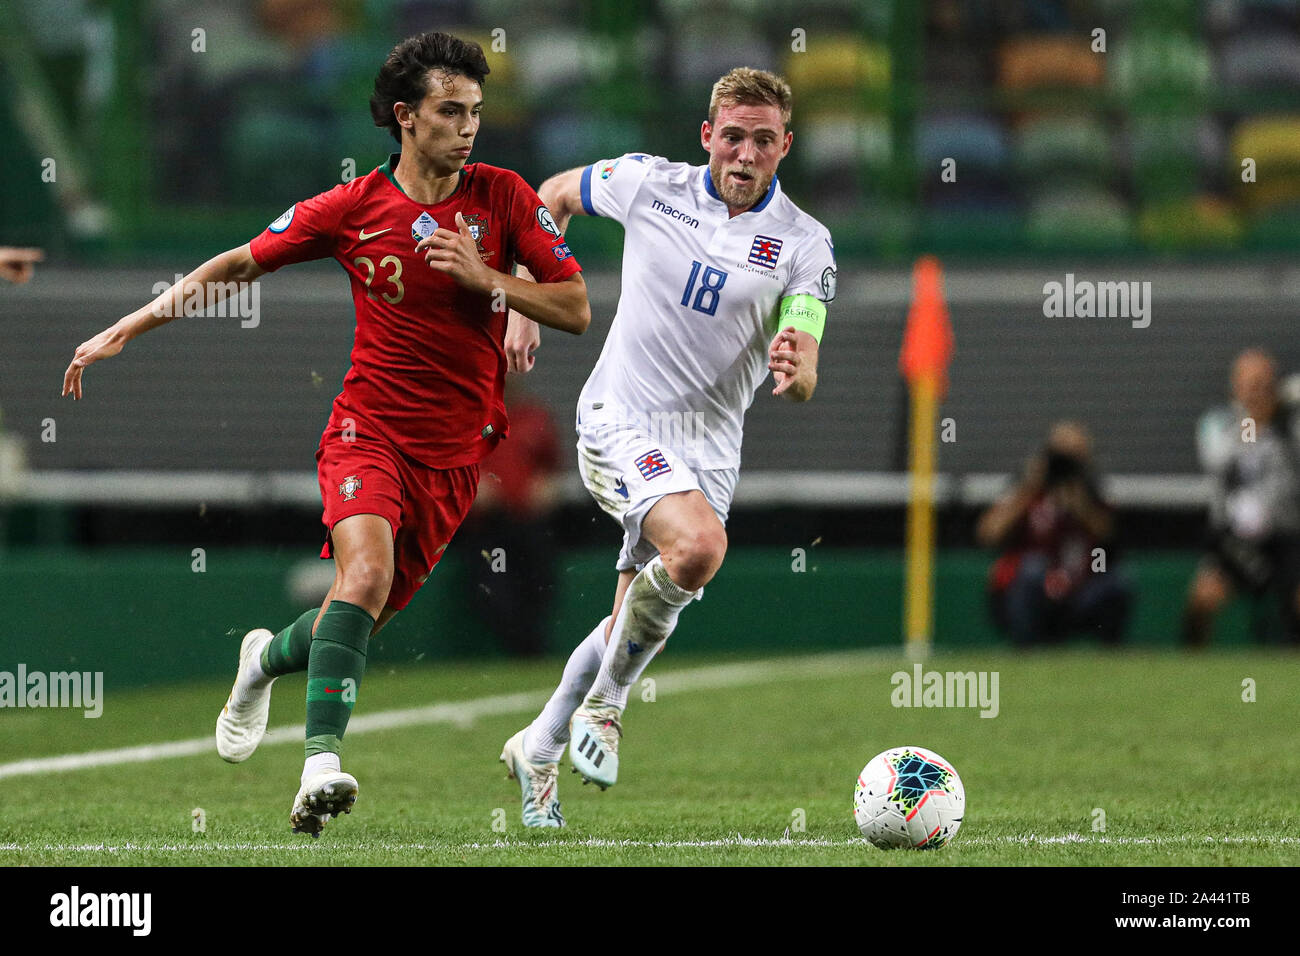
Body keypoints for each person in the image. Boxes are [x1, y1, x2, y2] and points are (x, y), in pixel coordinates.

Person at [60, 31, 590, 836]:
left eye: (476, 111)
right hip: (366, 430)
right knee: (365, 574)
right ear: (406, 118)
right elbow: (237, 265)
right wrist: (128, 327)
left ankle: (262, 661)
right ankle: (319, 767)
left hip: (455, 457)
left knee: (360, 605)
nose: (468, 126)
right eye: (452, 111)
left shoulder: (505, 198)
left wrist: (490, 281)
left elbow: (576, 306)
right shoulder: (354, 208)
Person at [497, 67, 836, 827]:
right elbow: (546, 196)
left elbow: (807, 348)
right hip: (621, 419)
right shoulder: (648, 183)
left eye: (764, 140)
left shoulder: (805, 244)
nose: (745, 154)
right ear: (708, 135)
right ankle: (606, 709)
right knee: (699, 549)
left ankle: (541, 743)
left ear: (786, 146)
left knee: (650, 599)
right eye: (733, 136)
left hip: (708, 454)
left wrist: (798, 362)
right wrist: (519, 299)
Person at [1183, 349, 1300, 647]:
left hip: (1285, 536)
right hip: (1235, 539)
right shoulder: (1218, 424)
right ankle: (1190, 666)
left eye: (1263, 385)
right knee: (1203, 597)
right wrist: (1252, 422)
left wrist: (1281, 422)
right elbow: (1216, 460)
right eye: (1250, 385)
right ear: (1235, 387)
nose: (1257, 393)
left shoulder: (1290, 427)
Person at [977, 421, 1131, 646]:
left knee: (1117, 582)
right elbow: (988, 533)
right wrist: (1030, 489)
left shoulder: (1093, 491)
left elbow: (1110, 537)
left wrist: (1081, 504)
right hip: (1035, 589)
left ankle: (1110, 659)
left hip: (1078, 591)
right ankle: (1026, 653)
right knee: (1031, 568)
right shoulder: (1025, 488)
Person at [460, 377, 564, 657]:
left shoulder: (535, 416)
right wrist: (473, 489)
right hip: (489, 526)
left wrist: (546, 487)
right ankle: (519, 651)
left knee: (539, 585)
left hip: (529, 523)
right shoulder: (468, 418)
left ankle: (533, 651)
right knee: (495, 590)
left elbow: (553, 468)